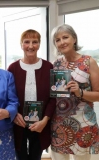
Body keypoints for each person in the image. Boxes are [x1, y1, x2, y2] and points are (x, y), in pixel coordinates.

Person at [50, 24, 99, 160]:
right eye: (57, 40)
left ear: (74, 39)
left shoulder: (89, 62)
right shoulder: (55, 64)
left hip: (83, 124)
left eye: (65, 37)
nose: (62, 42)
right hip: (59, 124)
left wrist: (80, 92)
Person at [8, 29, 56, 160]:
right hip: (19, 122)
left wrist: (45, 120)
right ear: (21, 44)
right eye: (26, 42)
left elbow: (53, 97)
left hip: (40, 123)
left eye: (35, 42)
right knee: (21, 157)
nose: (30, 46)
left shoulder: (48, 67)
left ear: (39, 45)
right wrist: (14, 114)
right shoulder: (12, 68)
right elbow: (8, 96)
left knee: (36, 157)